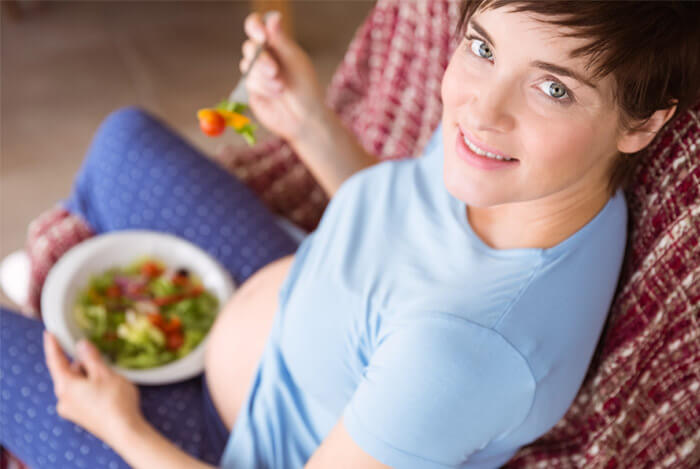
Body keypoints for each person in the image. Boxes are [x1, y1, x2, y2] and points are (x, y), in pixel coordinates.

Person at [2, 2, 699, 468]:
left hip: (226, 443)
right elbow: (412, 231)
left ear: (643, 123)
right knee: (125, 138)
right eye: (483, 48)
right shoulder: (535, 172)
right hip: (296, 294)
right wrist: (308, 123)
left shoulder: (466, 351)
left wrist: (117, 422)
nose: (480, 108)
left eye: (553, 89)